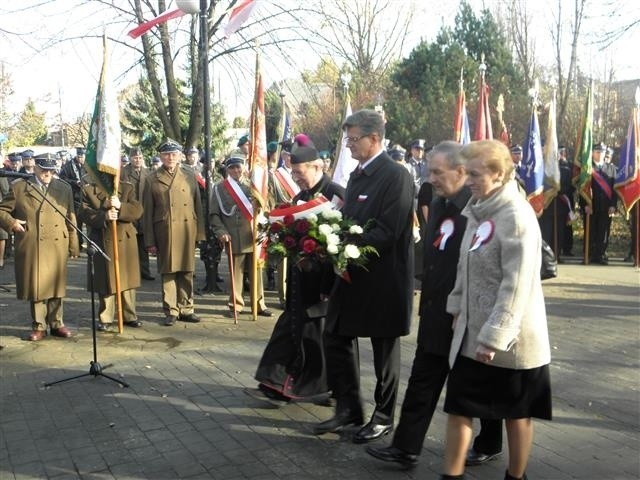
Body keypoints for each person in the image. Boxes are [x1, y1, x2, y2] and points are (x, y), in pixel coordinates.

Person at [366, 141, 503, 468]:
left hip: (465, 316)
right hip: (435, 310)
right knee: (422, 380)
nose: (430, 178)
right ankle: (405, 447)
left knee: (473, 386)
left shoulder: (480, 209)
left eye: (437, 172)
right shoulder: (440, 203)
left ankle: (490, 441)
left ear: (461, 171)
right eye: (429, 171)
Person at [440, 140, 552, 480]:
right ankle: (451, 475)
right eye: (465, 173)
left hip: (511, 341)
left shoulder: (516, 216)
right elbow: (465, 265)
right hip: (471, 332)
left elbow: (515, 285)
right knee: (458, 409)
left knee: (516, 415)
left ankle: (516, 477)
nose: (468, 180)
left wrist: (494, 336)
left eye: (474, 174)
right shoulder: (477, 210)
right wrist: (457, 306)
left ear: (499, 173)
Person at [314, 109, 415, 444]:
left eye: (354, 139)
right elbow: (350, 218)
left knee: (384, 349)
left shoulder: (396, 176)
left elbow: (389, 229)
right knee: (335, 334)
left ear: (375, 139)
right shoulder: (357, 176)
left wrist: (345, 245)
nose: (349, 145)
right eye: (347, 138)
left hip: (384, 279)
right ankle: (348, 408)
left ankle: (384, 416)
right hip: (351, 276)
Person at [248, 145, 346, 403]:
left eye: (299, 172)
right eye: (293, 173)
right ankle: (276, 382)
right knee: (290, 327)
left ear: (317, 166)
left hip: (325, 279)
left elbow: (345, 236)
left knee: (316, 334)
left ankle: (321, 387)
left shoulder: (336, 194)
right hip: (300, 276)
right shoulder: (300, 196)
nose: (296, 178)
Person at [0, 153, 80, 341]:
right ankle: (39, 325)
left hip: (57, 243)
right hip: (33, 242)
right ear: (35, 168)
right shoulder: (19, 187)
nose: (47, 174)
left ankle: (57, 323)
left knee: (56, 284)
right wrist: (11, 223)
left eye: (50, 171)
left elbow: (71, 217)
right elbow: (2, 210)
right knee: (37, 286)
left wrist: (74, 244)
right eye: (43, 170)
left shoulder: (63, 188)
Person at [142, 139, 205, 326]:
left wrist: (200, 233)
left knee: (187, 270)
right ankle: (171, 310)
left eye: (174, 154)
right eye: (166, 154)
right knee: (168, 271)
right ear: (161, 156)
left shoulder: (189, 175)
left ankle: (187, 308)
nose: (170, 157)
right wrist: (150, 240)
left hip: (187, 229)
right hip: (165, 230)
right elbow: (147, 213)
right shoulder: (151, 179)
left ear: (180, 156)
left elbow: (198, 206)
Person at [209, 153, 272, 317]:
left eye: (239, 166)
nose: (236, 170)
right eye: (232, 167)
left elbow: (265, 208)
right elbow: (214, 214)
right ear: (227, 170)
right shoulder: (220, 188)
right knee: (236, 274)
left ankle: (259, 304)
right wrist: (221, 232)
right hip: (233, 235)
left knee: (257, 272)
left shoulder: (254, 186)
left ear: (244, 167)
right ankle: (236, 305)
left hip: (253, 234)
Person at [78, 176, 144, 331]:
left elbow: (138, 210)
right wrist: (104, 214)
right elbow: (84, 213)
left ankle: (129, 315)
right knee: (105, 281)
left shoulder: (127, 187)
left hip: (125, 240)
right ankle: (105, 317)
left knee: (127, 280)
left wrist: (120, 206)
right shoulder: (88, 189)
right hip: (101, 239)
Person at [120, 147, 154, 280]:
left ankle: (145, 271)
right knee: (130, 243)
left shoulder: (148, 172)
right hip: (129, 211)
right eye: (135, 158)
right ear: (130, 158)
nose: (138, 160)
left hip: (144, 212)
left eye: (140, 158)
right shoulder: (123, 172)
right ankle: (131, 271)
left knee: (143, 244)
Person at [581, 142, 617, 264]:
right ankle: (589, 254)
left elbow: (614, 189)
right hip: (591, 206)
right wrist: (584, 205)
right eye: (597, 152)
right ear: (592, 153)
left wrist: (613, 205)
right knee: (590, 231)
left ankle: (600, 255)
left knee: (603, 232)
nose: (600, 154)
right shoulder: (587, 168)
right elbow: (583, 189)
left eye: (602, 152)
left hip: (606, 206)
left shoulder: (611, 168)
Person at [59, 146, 87, 248]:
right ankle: (78, 244)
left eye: (82, 156)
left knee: (89, 222)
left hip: (87, 197)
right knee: (76, 222)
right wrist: (75, 183)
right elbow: (62, 179)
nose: (81, 158)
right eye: (79, 156)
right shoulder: (68, 166)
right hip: (75, 197)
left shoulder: (88, 165)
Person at [557, 146, 575, 256]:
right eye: (559, 152)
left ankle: (567, 248)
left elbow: (573, 183)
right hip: (556, 199)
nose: (561, 154)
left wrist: (564, 191)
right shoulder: (553, 166)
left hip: (567, 198)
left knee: (568, 225)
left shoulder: (571, 166)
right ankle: (558, 247)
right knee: (558, 225)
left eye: (562, 152)